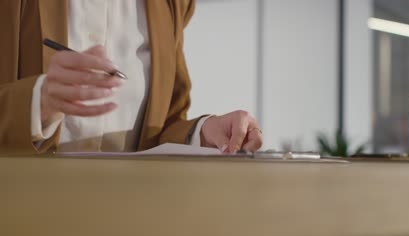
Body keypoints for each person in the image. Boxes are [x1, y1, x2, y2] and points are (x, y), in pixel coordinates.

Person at [0, 0, 263, 154]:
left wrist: (203, 133)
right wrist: (35, 103)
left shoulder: (172, 5)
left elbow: (163, 125)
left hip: (131, 222)